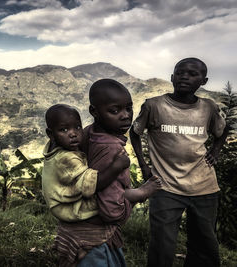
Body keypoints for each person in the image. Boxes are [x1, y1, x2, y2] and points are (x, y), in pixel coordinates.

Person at [129, 57, 229, 267]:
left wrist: (215, 150)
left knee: (204, 244)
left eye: (193, 74)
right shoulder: (154, 106)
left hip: (204, 186)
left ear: (204, 80)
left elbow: (222, 130)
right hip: (165, 186)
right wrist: (144, 165)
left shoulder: (208, 108)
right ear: (172, 77)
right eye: (180, 72)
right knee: (162, 246)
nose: (185, 76)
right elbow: (135, 132)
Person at [79, 79, 161, 266]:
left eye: (129, 108)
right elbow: (111, 210)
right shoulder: (111, 150)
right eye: (115, 111)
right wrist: (136, 196)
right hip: (99, 233)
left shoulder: (88, 133)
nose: (125, 116)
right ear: (94, 112)